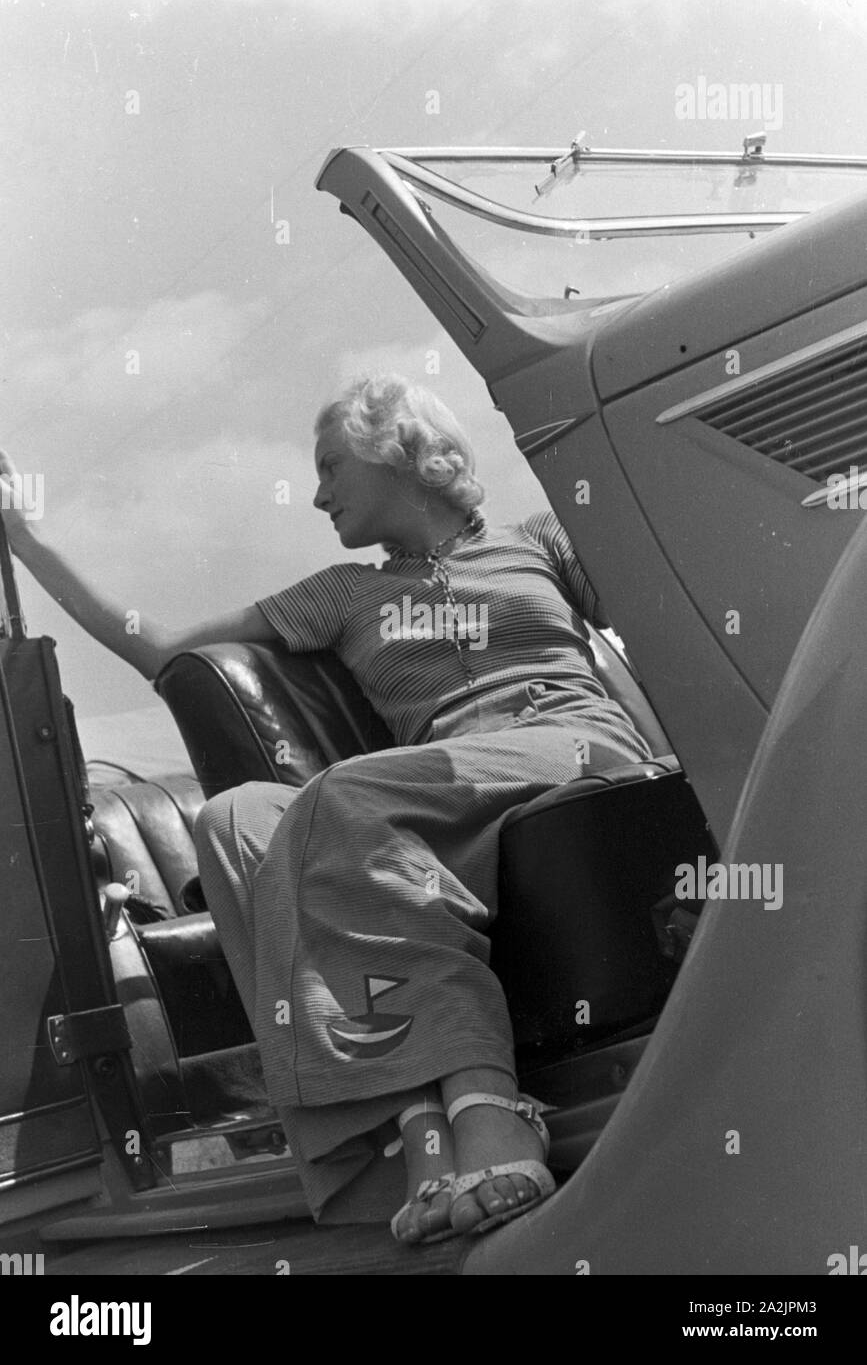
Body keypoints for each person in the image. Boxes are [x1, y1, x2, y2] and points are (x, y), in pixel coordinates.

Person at [0, 374, 652, 1244]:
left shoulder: (538, 543)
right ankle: (405, 1129)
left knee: (342, 794)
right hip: (440, 793)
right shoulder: (340, 594)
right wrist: (22, 535)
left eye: (331, 466)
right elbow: (154, 646)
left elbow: (668, 597)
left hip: (569, 742)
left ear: (408, 456)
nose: (315, 495)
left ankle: (482, 1102)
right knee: (234, 822)